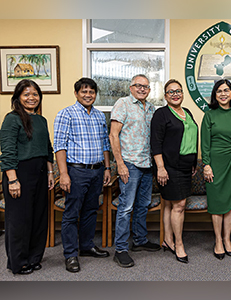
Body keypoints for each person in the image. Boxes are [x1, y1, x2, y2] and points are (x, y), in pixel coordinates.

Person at [54, 77, 111, 273]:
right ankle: (70, 254)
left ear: (95, 94)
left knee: (91, 210)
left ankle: (86, 246)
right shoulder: (66, 114)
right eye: (84, 91)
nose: (88, 95)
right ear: (76, 93)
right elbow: (59, 146)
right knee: (71, 214)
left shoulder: (98, 116)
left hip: (96, 171)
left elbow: (105, 144)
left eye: (91, 92)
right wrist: (63, 174)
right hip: (76, 171)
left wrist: (107, 168)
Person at [0, 80, 54, 275]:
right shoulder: (12, 119)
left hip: (40, 171)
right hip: (19, 172)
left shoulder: (41, 120)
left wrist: (49, 172)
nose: (32, 98)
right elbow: (7, 151)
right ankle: (19, 262)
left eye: (35, 94)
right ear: (18, 98)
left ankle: (33, 257)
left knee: (39, 218)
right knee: (20, 220)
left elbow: (48, 149)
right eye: (26, 94)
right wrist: (13, 180)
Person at [109, 74, 161, 268]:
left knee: (143, 205)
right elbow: (113, 135)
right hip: (129, 163)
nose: (142, 89)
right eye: (138, 86)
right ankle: (120, 249)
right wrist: (120, 164)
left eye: (146, 87)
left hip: (147, 164)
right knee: (126, 207)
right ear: (130, 87)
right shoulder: (123, 104)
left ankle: (140, 240)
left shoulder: (151, 109)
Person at [151, 79, 198, 264]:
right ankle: (178, 244)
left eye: (178, 91)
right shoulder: (161, 114)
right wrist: (160, 168)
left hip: (186, 166)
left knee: (170, 205)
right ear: (165, 96)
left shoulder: (187, 112)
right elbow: (155, 143)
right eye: (171, 92)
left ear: (183, 94)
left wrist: (193, 162)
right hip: (169, 166)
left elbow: (190, 138)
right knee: (179, 205)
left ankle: (167, 239)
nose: (175, 94)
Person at [201, 79, 231, 260]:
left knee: (229, 203)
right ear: (214, 94)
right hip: (215, 163)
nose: (223, 94)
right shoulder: (209, 115)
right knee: (216, 203)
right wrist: (206, 165)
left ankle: (228, 239)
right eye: (219, 91)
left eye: (226, 90)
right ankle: (218, 241)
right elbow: (204, 143)